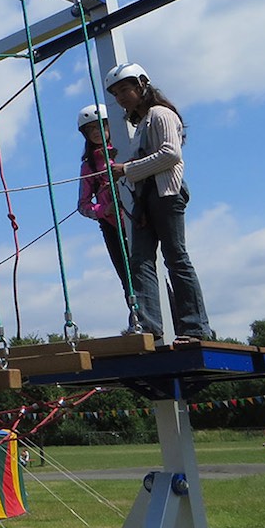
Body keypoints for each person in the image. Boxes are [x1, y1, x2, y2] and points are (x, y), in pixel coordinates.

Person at [105, 64, 210, 343]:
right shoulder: (142, 125)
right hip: (146, 197)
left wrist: (127, 169)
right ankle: (147, 326)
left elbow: (170, 154)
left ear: (142, 85)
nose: (121, 97)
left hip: (166, 194)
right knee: (139, 260)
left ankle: (195, 327)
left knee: (175, 257)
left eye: (125, 89)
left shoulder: (161, 114)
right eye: (116, 93)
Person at [76, 103, 130, 298]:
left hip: (138, 217)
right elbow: (82, 205)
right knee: (127, 277)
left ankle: (170, 318)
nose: (96, 132)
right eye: (90, 130)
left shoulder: (125, 150)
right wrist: (103, 211)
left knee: (149, 272)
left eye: (100, 126)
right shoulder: (89, 166)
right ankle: (139, 318)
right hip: (111, 225)